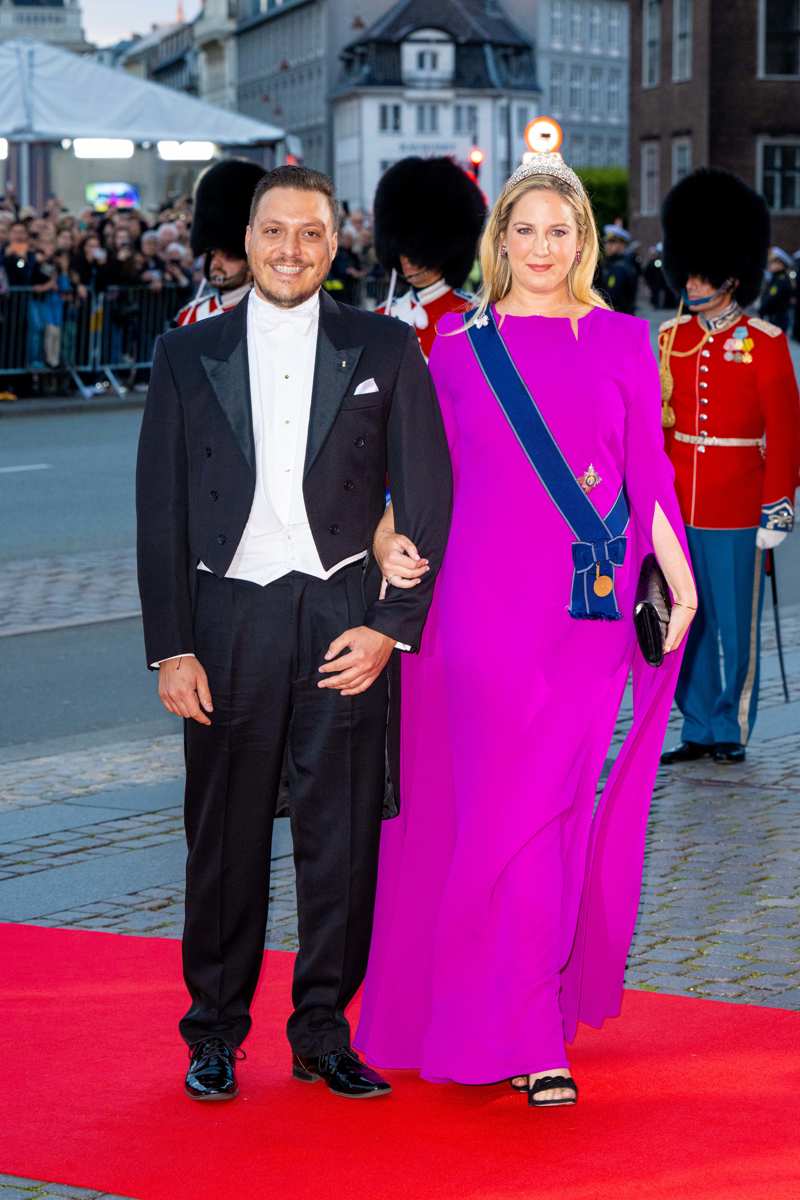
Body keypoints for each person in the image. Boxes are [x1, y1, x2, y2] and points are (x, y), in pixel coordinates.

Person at [355, 152, 696, 1107]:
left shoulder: (630, 340)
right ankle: (498, 1019)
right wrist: (389, 538)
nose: (541, 247)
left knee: (548, 814)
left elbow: (647, 475)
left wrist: (676, 570)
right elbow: (415, 476)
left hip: (582, 614)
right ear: (498, 241)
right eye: (524, 230)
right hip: (473, 614)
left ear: (581, 243)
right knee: (484, 816)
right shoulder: (459, 348)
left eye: (560, 231)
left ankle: (532, 1023)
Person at [136, 164, 452, 1103]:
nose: (291, 250)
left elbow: (428, 497)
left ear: (335, 240)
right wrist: (171, 645)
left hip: (341, 615)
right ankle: (215, 1033)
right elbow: (160, 512)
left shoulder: (387, 347)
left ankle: (321, 1029)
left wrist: (392, 629)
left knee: (342, 835)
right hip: (227, 617)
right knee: (222, 836)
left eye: (311, 233)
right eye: (276, 231)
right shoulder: (185, 354)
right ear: (251, 232)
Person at [658, 169, 800, 766]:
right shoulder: (668, 338)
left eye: (702, 272)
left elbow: (786, 433)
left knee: (733, 626)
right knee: (684, 623)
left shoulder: (764, 342)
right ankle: (695, 724)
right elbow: (656, 430)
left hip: (738, 506)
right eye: (687, 271)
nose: (691, 282)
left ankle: (730, 726)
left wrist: (779, 505)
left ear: (730, 276)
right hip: (680, 503)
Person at [374, 156, 487, 357]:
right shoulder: (380, 317)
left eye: (416, 252)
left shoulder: (472, 315)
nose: (406, 261)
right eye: (401, 251)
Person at [174, 157, 264, 327]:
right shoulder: (191, 316)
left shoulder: (274, 317)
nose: (216, 264)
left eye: (229, 256)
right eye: (212, 254)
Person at [597, 224, 639, 314]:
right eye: (606, 242)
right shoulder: (613, 264)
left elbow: (611, 297)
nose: (607, 245)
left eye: (612, 242)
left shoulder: (620, 268)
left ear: (622, 244)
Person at [758, 247, 794, 333]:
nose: (770, 265)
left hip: (776, 321)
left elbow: (771, 298)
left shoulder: (781, 280)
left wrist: (761, 311)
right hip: (775, 319)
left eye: (773, 262)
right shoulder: (776, 278)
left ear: (780, 265)